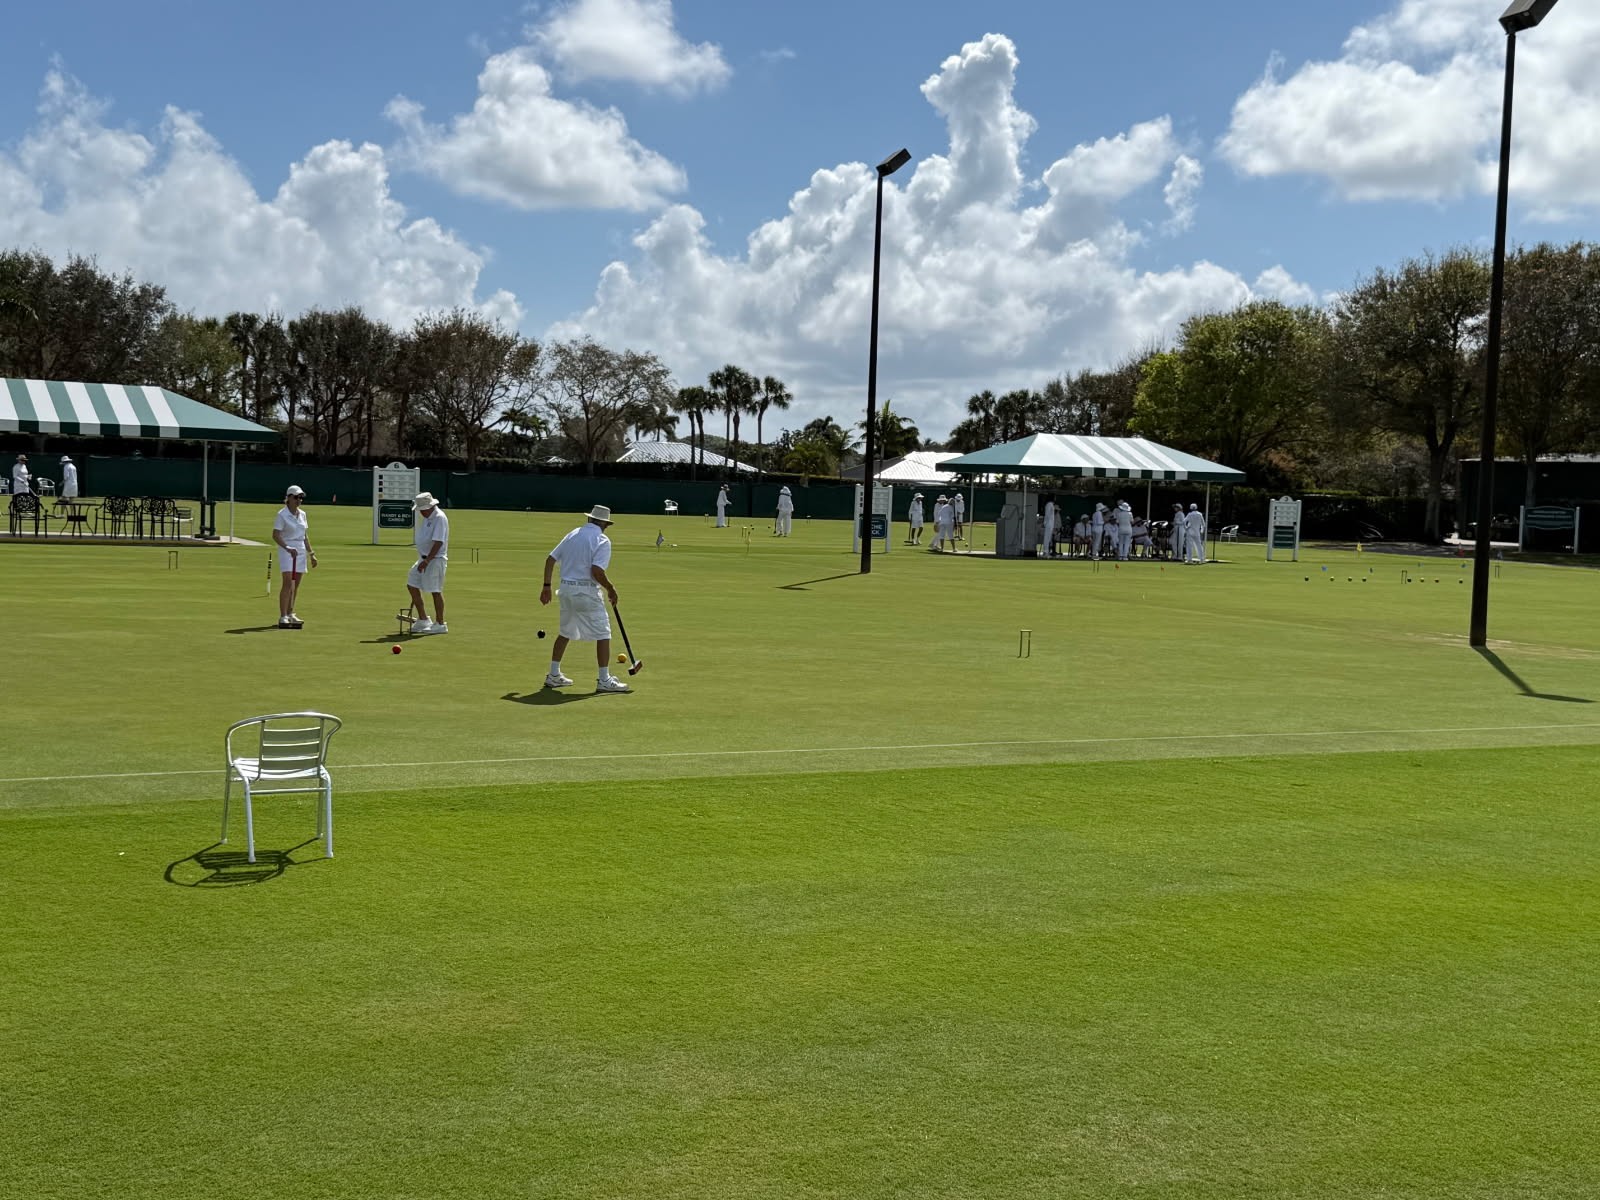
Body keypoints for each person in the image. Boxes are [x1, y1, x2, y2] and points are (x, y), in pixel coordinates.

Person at [539, 505, 631, 693]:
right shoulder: (602, 540)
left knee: (565, 632)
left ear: (589, 519)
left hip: (565, 590)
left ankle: (553, 675)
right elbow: (596, 571)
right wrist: (611, 589)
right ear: (605, 524)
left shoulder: (573, 534)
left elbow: (550, 560)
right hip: (585, 592)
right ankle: (604, 680)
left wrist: (546, 586)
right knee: (603, 633)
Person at [272, 485, 316, 628]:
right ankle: (283, 616)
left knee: (295, 585)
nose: (299, 500)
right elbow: (276, 535)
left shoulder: (302, 514)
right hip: (287, 550)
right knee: (287, 583)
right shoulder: (282, 514)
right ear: (289, 498)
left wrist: (311, 554)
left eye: (301, 497)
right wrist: (287, 547)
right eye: (296, 497)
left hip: (300, 551)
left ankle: (291, 613)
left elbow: (305, 536)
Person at [406, 492, 450, 634]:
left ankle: (440, 624)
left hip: (435, 560)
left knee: (435, 591)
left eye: (421, 509)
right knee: (412, 584)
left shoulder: (439, 518)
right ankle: (423, 619)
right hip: (423, 558)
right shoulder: (427, 517)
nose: (420, 512)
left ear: (429, 507)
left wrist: (427, 560)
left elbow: (438, 542)